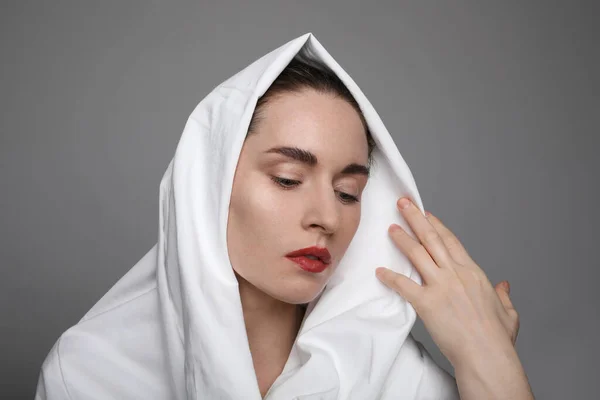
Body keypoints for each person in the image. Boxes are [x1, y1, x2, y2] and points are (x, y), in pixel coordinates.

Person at [35, 33, 534, 399]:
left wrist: (491, 363)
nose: (326, 218)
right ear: (208, 183)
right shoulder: (90, 373)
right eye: (288, 179)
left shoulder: (404, 382)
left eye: (348, 191)